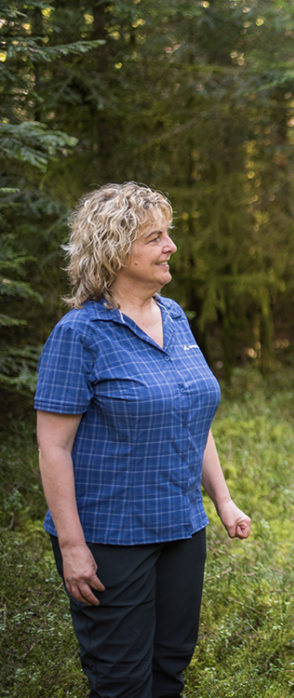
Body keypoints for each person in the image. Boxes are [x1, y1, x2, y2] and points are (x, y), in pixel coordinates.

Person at [35, 182, 251, 697]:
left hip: (181, 528)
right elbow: (53, 447)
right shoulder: (79, 334)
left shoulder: (173, 316)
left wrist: (222, 500)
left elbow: (192, 416)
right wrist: (72, 547)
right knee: (121, 681)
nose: (170, 246)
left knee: (169, 670)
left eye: (167, 235)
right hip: (110, 538)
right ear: (114, 251)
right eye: (155, 237)